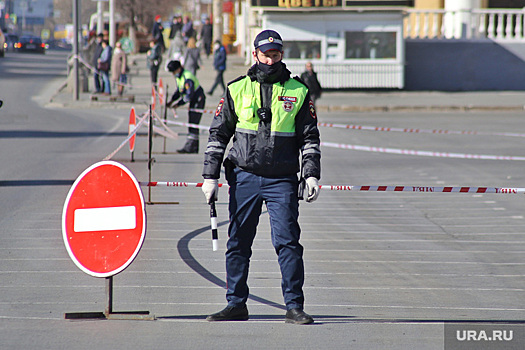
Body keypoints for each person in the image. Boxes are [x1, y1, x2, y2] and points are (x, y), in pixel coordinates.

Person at [201, 29, 321, 325]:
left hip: (281, 180)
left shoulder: (299, 90)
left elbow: (309, 138)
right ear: (254, 54)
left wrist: (311, 175)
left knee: (288, 242)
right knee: (238, 242)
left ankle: (294, 306)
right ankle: (236, 304)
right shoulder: (236, 89)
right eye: (265, 54)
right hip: (244, 176)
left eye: (276, 55)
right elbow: (218, 134)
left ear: (282, 55)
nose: (270, 60)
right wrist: (210, 176)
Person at [166, 60, 206, 153]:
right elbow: (179, 91)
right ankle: (193, 147)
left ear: (179, 69)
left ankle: (191, 147)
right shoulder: (180, 77)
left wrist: (178, 104)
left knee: (193, 122)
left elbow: (189, 95)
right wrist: (171, 101)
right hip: (194, 100)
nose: (173, 74)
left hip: (198, 99)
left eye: (174, 72)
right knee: (192, 123)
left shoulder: (187, 77)